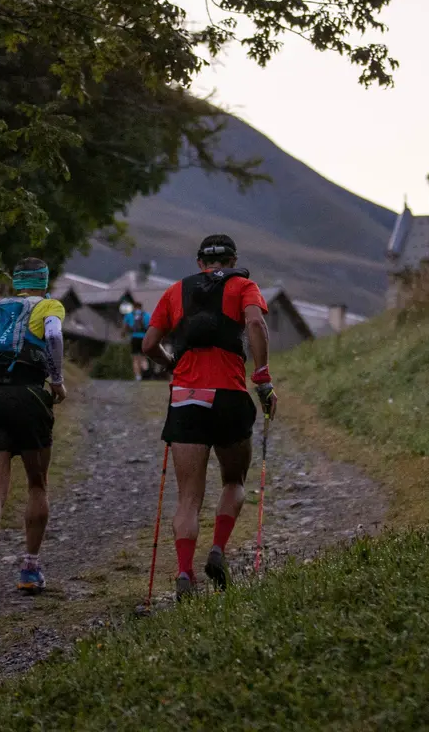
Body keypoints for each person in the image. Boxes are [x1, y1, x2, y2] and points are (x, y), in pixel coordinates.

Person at [141, 233, 278, 599]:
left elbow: (148, 345)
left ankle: (185, 572)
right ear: (232, 261)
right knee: (233, 481)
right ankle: (217, 550)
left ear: (200, 263)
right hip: (230, 396)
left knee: (188, 498)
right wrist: (262, 379)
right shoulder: (243, 285)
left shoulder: (175, 292)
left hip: (187, 398)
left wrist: (173, 364)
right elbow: (255, 325)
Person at [0, 256, 66, 605]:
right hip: (31, 395)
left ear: (16, 281)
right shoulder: (49, 305)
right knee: (37, 483)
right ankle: (29, 570)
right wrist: (58, 381)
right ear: (44, 281)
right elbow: (53, 335)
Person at [125, 300, 150, 379]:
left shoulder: (129, 315)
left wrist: (123, 334)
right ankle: (145, 371)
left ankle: (138, 376)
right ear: (141, 307)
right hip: (144, 338)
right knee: (143, 357)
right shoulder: (146, 315)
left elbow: (125, 326)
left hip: (134, 337)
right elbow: (150, 327)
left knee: (135, 358)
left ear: (134, 307)